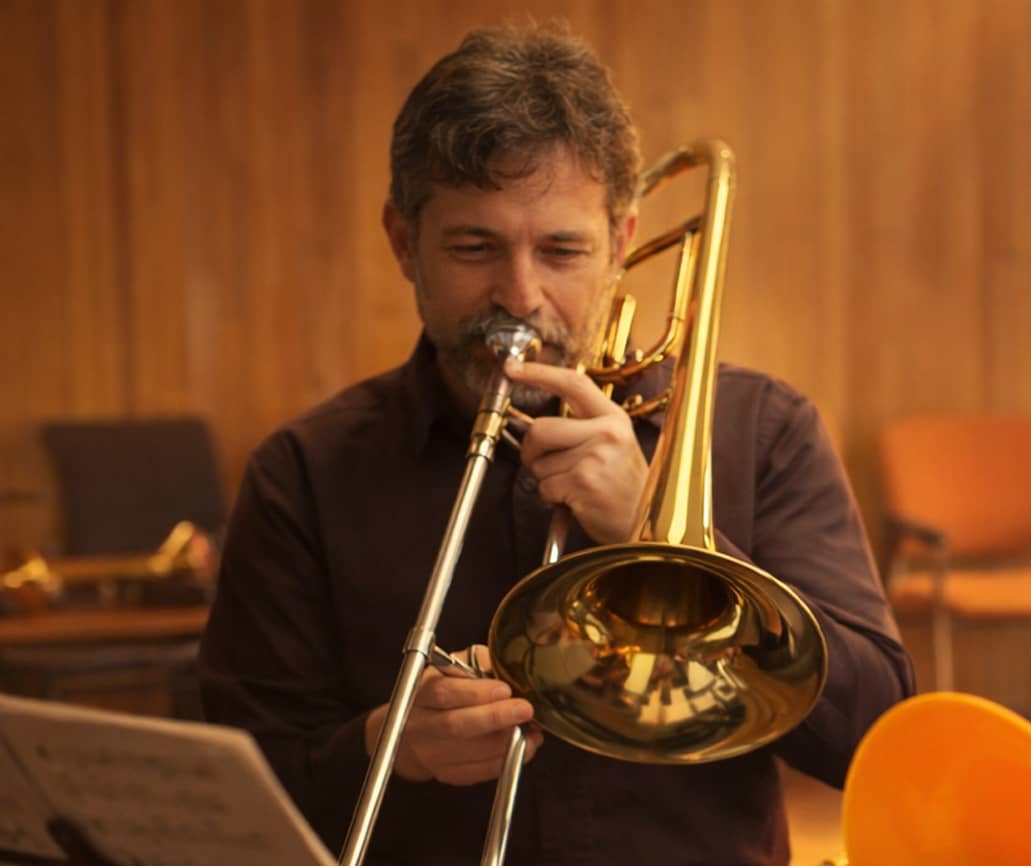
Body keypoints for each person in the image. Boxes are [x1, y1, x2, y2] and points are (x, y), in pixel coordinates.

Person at [196, 23, 914, 866]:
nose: (520, 295)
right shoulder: (304, 474)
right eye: (474, 247)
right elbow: (243, 785)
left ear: (622, 241)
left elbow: (879, 737)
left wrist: (666, 540)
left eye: (563, 249)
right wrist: (389, 746)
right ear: (403, 242)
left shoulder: (763, 431)